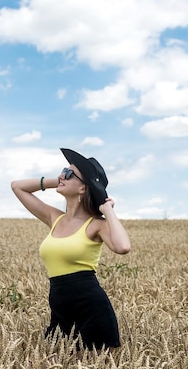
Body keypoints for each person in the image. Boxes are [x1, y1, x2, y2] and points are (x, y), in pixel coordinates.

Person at [11, 148, 131, 351]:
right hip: (60, 308)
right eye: (62, 171)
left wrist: (107, 210)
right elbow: (17, 187)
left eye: (68, 173)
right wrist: (56, 180)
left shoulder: (97, 225)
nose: (62, 175)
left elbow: (123, 247)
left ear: (83, 188)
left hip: (91, 309)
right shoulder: (54, 217)